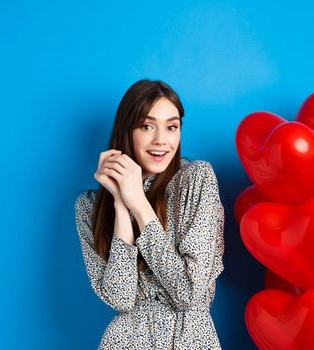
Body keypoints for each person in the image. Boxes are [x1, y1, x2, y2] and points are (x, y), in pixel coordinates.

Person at [74, 79, 224, 349]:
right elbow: (121, 299)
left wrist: (139, 204)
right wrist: (121, 204)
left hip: (190, 340)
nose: (161, 141)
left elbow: (188, 293)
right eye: (146, 126)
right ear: (126, 130)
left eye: (172, 127)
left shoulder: (196, 180)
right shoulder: (89, 206)